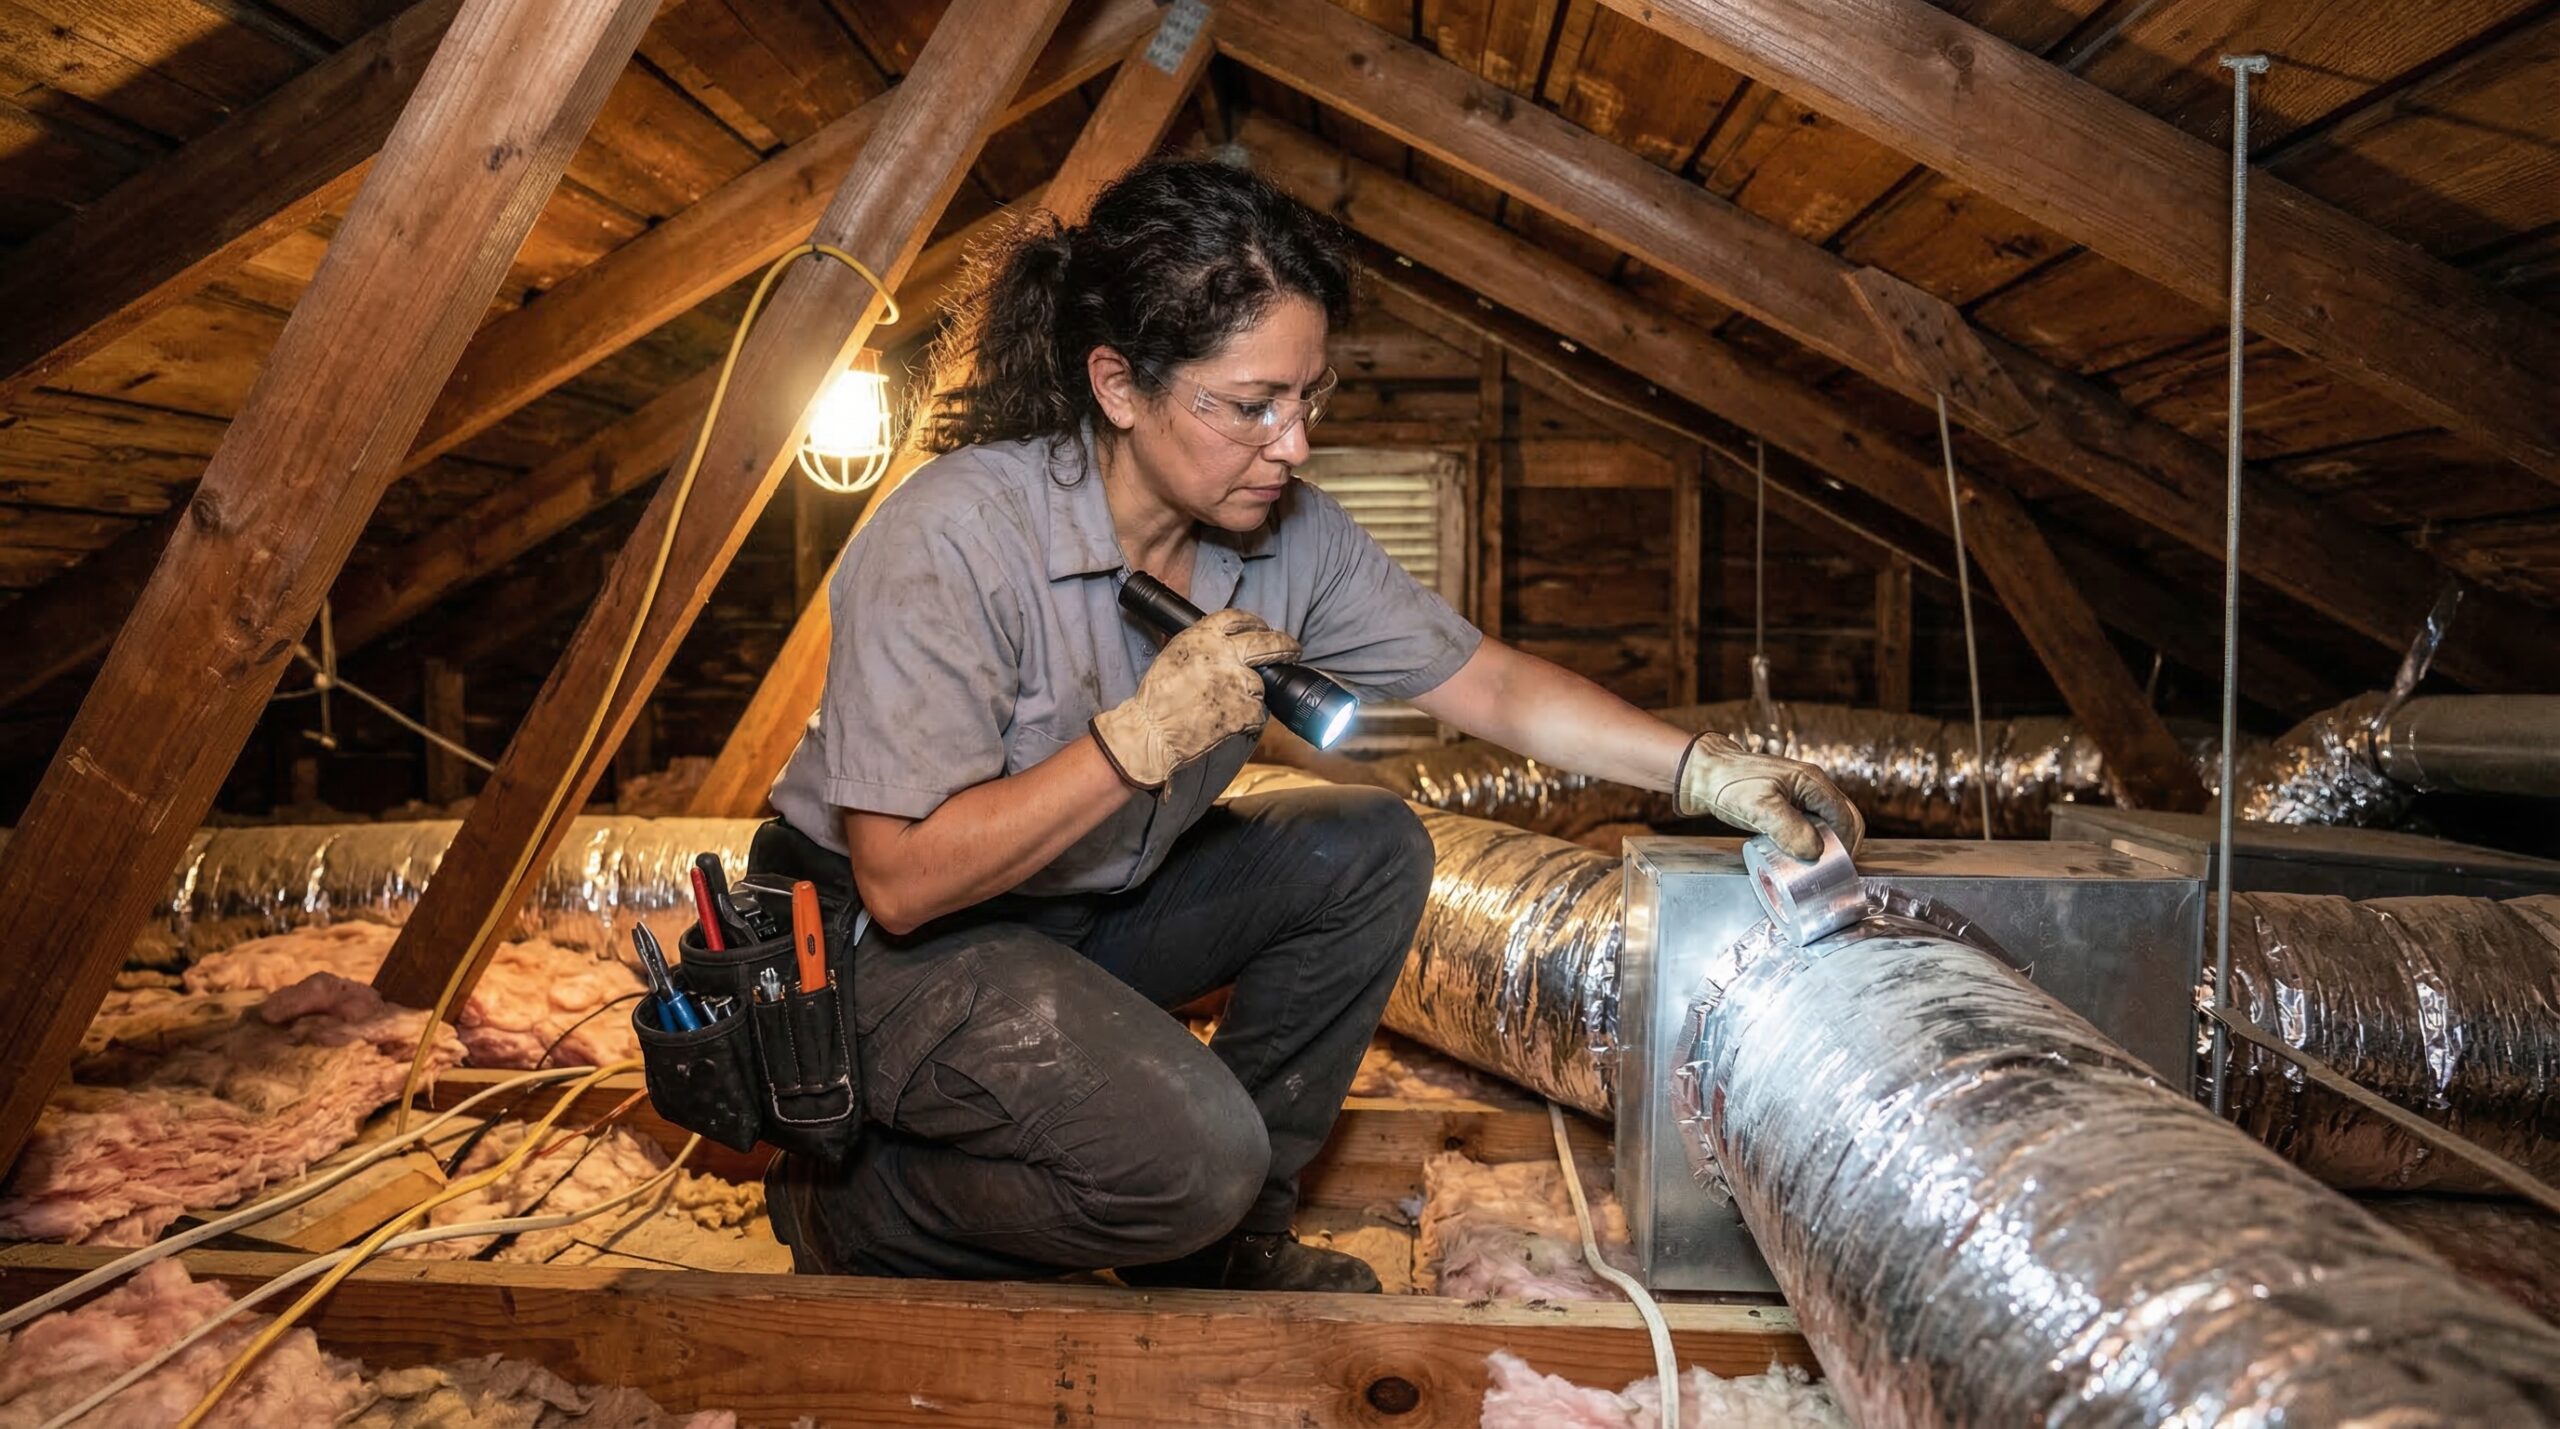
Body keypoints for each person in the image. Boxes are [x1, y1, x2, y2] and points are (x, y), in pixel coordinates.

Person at [750, 157, 1863, 1293]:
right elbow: (903, 879)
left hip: (1077, 911)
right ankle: (863, 1210)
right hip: (875, 952)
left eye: (1307, 397)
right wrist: (1134, 742)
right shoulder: (950, 537)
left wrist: (1703, 769)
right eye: (1249, 406)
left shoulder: (1287, 534)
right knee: (1190, 1160)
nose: (1292, 446)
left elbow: (1486, 684)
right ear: (1119, 385)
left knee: (1367, 847)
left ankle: (1225, 1247)